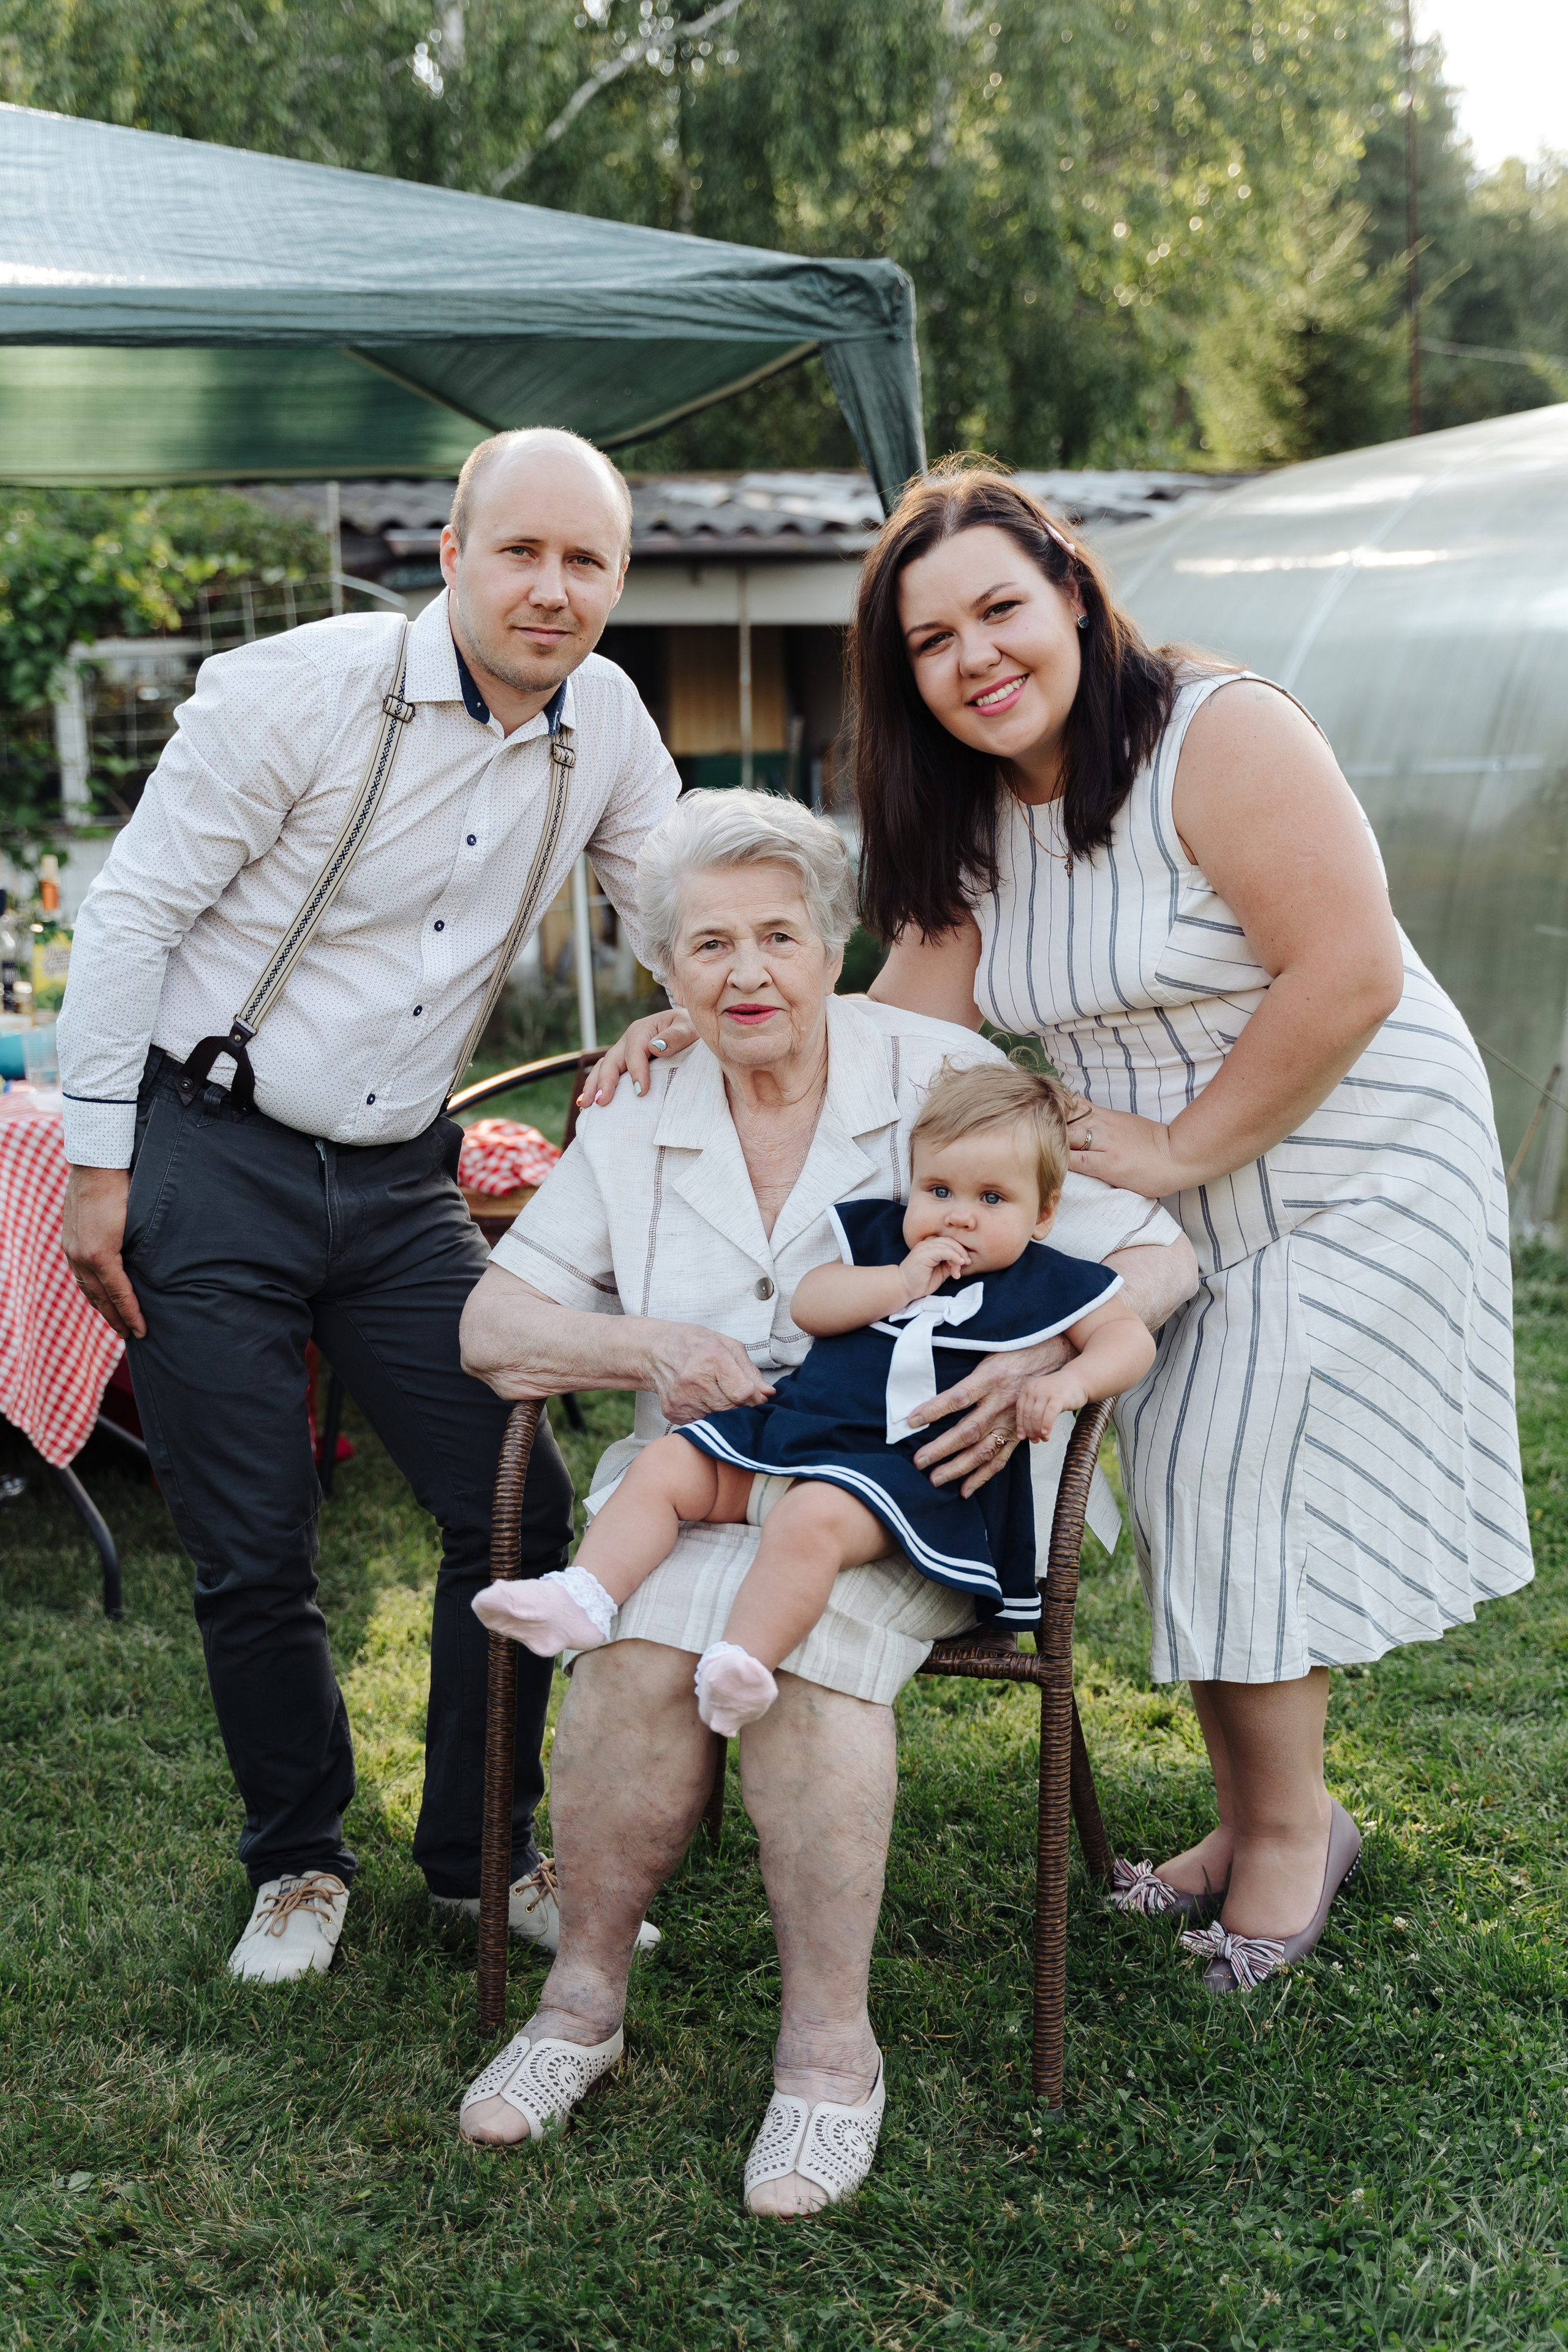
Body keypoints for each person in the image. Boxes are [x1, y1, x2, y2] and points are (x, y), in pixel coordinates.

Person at [590, 462, 1534, 1996]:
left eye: (998, 611)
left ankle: (1291, 1838)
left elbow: (1347, 970)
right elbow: (893, 1032)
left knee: (1229, 1445)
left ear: (1073, 599)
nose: (974, 657)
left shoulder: (1215, 735)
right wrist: (702, 1027)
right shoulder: (967, 820)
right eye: (930, 639)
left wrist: (1175, 1144)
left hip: (1349, 1150)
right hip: (1147, 1194)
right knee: (1177, 1472)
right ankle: (1249, 1824)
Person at [454, 788, 1199, 2208]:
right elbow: (493, 1328)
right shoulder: (638, 1107)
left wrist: (1037, 1356)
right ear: (661, 974)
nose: (746, 973)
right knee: (626, 1656)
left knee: (802, 1664)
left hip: (911, 1472)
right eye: (708, 945)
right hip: (708, 1467)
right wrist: (644, 1345)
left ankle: (825, 2058)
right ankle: (577, 2007)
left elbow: (1151, 1251)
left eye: (778, 936)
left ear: (833, 944)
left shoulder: (936, 1069)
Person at [56, 427, 678, 1982]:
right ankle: (296, 1862)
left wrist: (687, 998)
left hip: (405, 1181)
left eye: (584, 559)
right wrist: (94, 1163)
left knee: (516, 1503)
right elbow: (132, 909)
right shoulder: (296, 689)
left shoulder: (600, 717)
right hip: (215, 1148)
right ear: (450, 553)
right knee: (254, 1539)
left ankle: (479, 1855)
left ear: (615, 579)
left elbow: (678, 892)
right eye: (519, 550)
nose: (551, 587)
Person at [476, 1058, 1155, 1734]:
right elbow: (812, 1305)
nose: (960, 1217)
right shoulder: (880, 1246)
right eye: (939, 1190)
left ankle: (742, 1664)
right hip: (795, 1433)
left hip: (905, 1477)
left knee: (809, 1521)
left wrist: (1068, 1383)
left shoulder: (1051, 1283)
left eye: (992, 1199)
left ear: (1043, 1212)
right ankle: (585, 1596)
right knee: (666, 1465)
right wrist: (898, 1282)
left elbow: (1129, 1341)